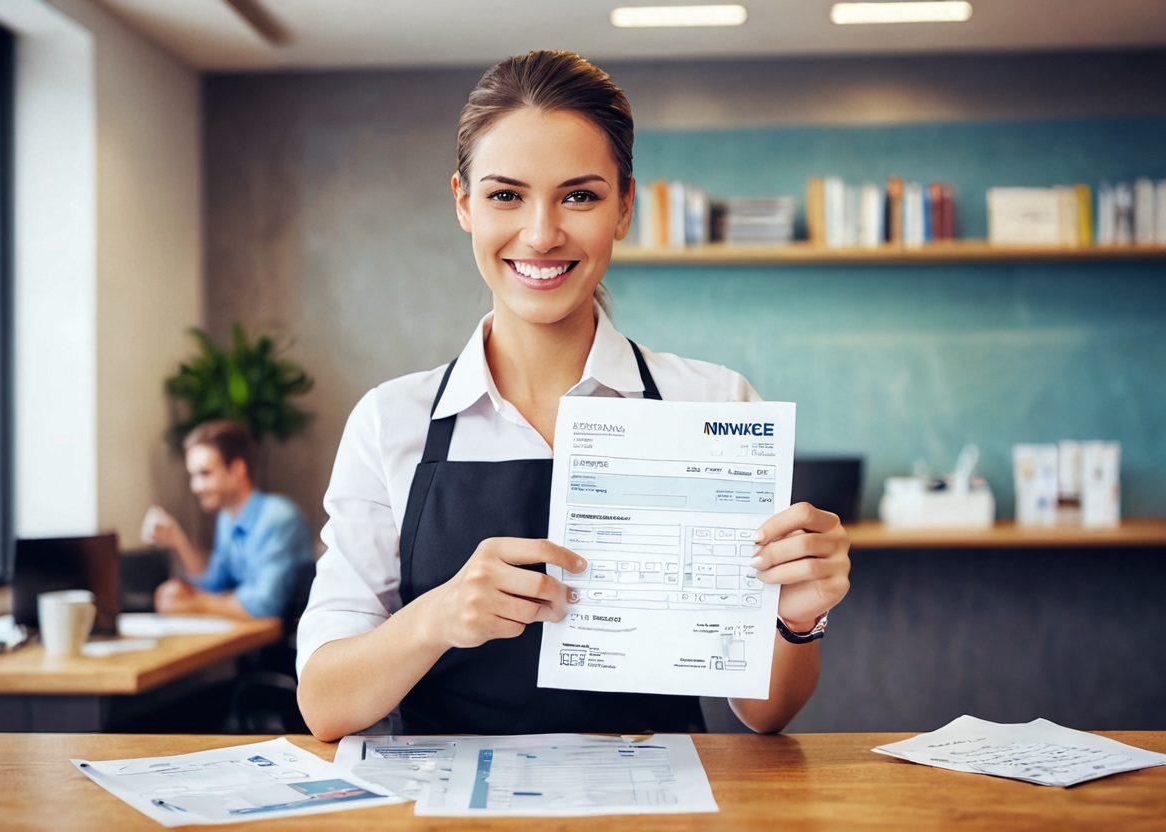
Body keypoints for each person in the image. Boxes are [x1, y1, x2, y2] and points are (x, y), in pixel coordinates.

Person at [297, 50, 851, 740]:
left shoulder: (716, 403)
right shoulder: (392, 422)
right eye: (506, 195)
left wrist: (799, 619)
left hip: (661, 809)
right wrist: (436, 617)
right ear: (464, 204)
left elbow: (765, 713)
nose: (541, 233)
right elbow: (324, 703)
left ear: (624, 207)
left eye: (579, 196)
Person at [144, 419, 313, 621]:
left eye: (205, 474)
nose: (195, 487)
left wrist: (194, 603)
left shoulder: (278, 518)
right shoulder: (227, 518)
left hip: (287, 645)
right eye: (193, 476)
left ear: (237, 470)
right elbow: (214, 585)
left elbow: (265, 605)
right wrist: (178, 540)